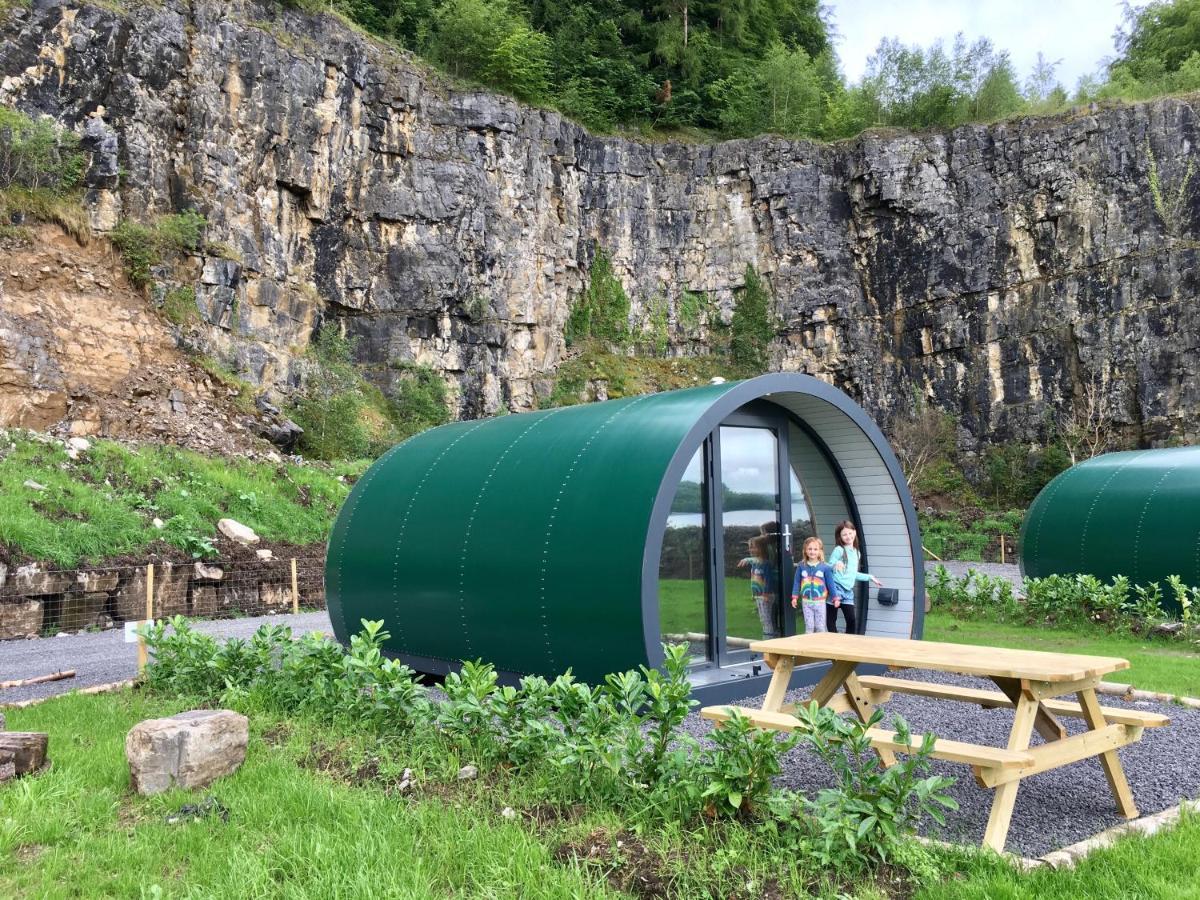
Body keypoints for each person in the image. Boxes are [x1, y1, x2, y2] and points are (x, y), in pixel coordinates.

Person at [827, 520, 882, 635]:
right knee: (831, 620)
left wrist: (870, 577)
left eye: (850, 533)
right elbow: (828, 566)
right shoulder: (839, 550)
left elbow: (852, 574)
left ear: (855, 532)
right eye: (844, 534)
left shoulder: (857, 553)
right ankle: (834, 643)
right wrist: (835, 564)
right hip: (836, 588)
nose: (848, 536)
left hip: (848, 591)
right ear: (840, 537)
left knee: (851, 620)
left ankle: (847, 644)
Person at [737, 534, 780, 639]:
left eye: (753, 547)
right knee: (763, 619)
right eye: (749, 547)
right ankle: (768, 637)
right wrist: (754, 594)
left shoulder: (765, 564)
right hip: (759, 596)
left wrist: (765, 594)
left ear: (761, 548)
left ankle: (768, 640)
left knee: (766, 619)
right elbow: (754, 579)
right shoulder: (754, 564)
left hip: (766, 596)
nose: (750, 549)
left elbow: (768, 580)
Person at [790, 537, 834, 634]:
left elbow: (830, 583)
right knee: (809, 627)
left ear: (820, 551)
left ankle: (820, 647)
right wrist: (794, 597)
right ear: (805, 550)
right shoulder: (801, 565)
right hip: (806, 602)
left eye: (815, 549)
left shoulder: (825, 567)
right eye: (809, 549)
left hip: (820, 602)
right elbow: (797, 582)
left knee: (820, 627)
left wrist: (835, 597)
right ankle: (807, 647)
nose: (812, 551)